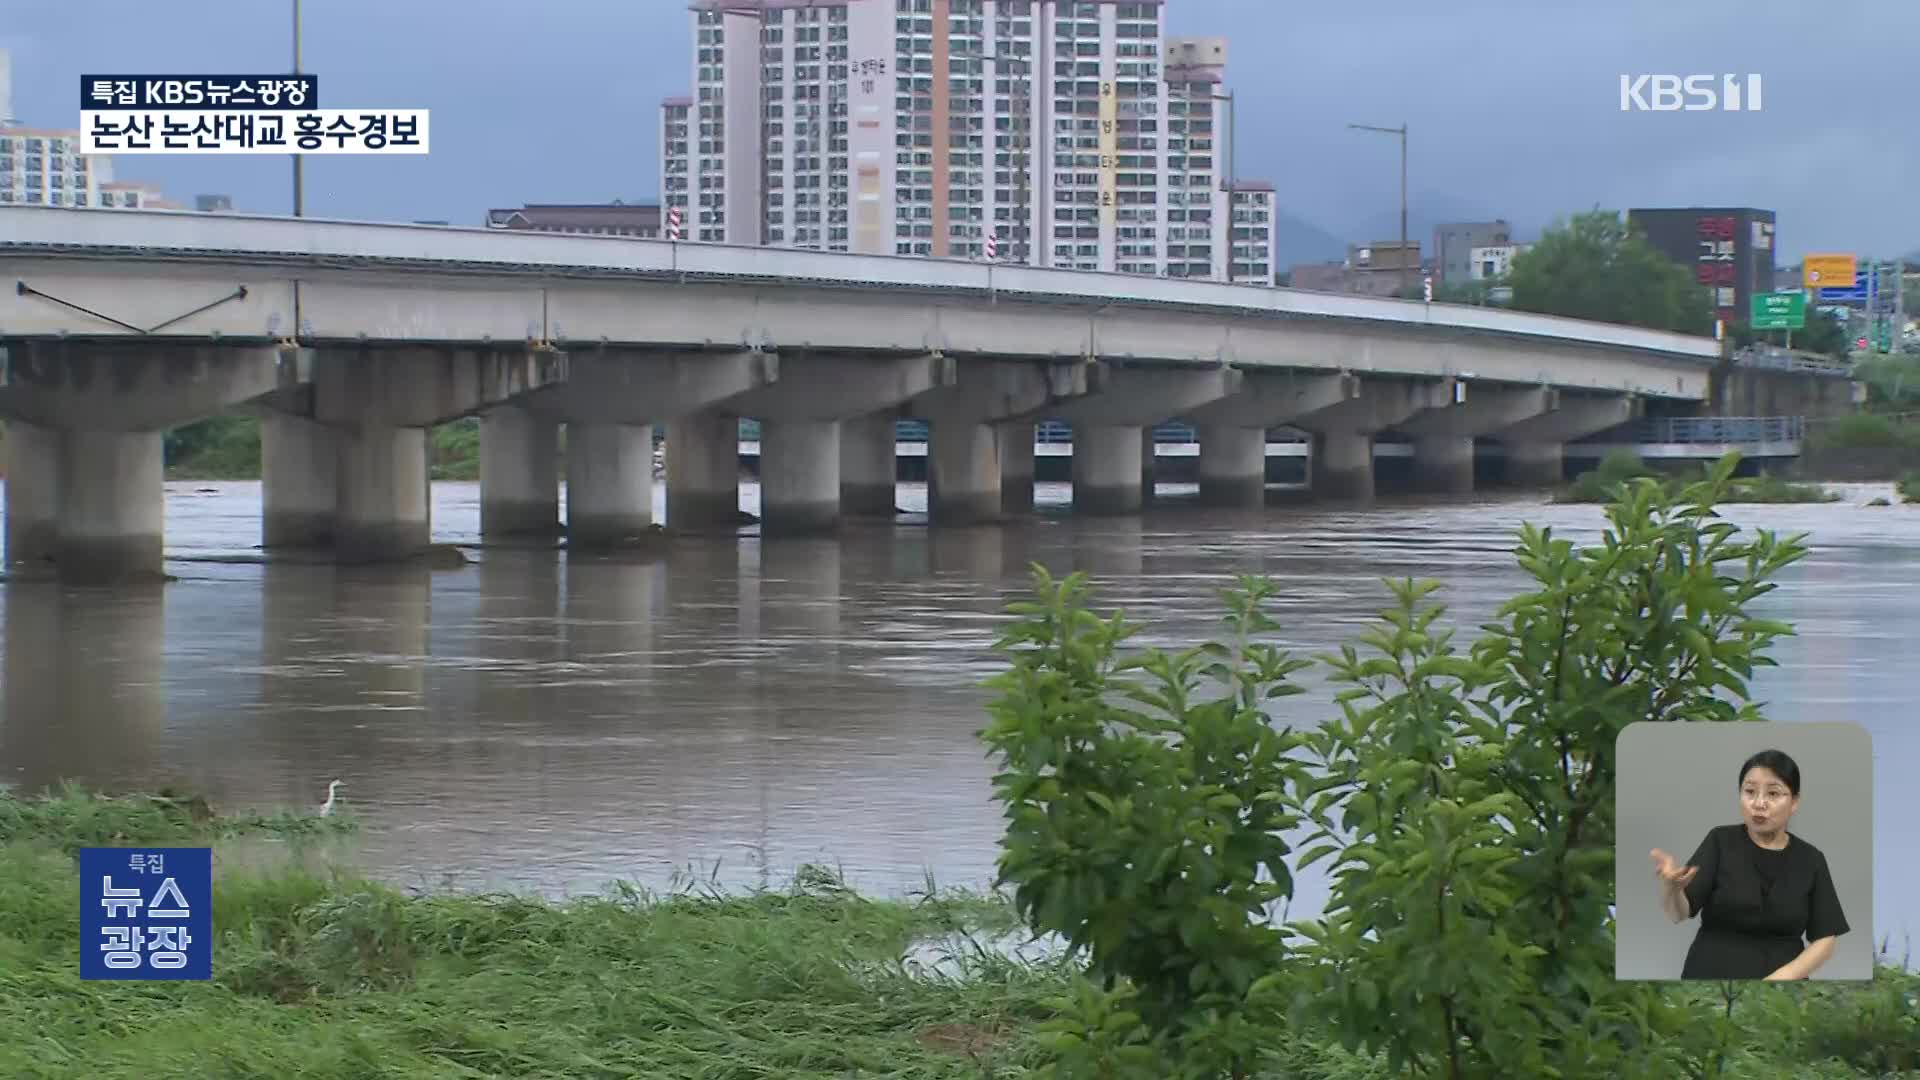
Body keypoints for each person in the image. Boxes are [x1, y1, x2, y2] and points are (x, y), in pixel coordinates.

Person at [1649, 748, 1850, 980]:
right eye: (1750, 792)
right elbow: (1678, 914)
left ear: (1794, 802)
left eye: (1773, 794)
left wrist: (1781, 979)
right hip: (1710, 976)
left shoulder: (1811, 859)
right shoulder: (1720, 841)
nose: (1759, 803)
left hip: (1784, 987)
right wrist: (1670, 887)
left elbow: (1826, 939)